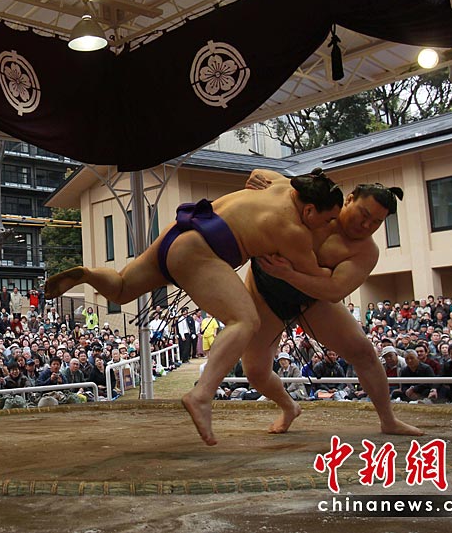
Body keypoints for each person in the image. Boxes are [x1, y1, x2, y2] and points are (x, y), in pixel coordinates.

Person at [45, 170, 343, 445]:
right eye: (329, 219)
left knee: (121, 288)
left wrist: (253, 190)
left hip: (181, 229)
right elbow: (320, 276)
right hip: (200, 252)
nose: (331, 226)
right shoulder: (294, 231)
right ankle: (201, 394)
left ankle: (89, 274)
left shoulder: (280, 183)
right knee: (245, 321)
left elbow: (256, 174)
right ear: (309, 210)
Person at [239, 175, 423, 437]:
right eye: (364, 214)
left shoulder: (365, 251)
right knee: (255, 372)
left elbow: (335, 291)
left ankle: (388, 420)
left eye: (376, 222)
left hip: (312, 298)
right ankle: (289, 407)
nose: (366, 225)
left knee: (363, 352)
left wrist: (289, 274)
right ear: (349, 199)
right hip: (264, 289)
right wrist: (259, 182)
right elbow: (265, 176)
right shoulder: (317, 198)